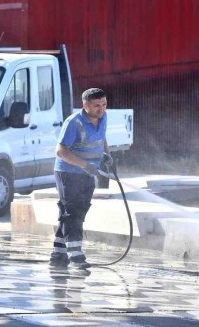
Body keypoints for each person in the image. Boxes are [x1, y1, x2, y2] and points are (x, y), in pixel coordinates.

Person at [48, 88, 114, 270]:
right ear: (85, 105)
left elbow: (102, 137)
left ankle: (58, 254)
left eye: (104, 105)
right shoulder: (73, 123)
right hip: (69, 173)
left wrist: (106, 154)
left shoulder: (103, 117)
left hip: (88, 173)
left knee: (79, 210)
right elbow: (60, 151)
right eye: (96, 106)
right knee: (72, 212)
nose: (101, 109)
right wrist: (84, 164)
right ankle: (76, 255)